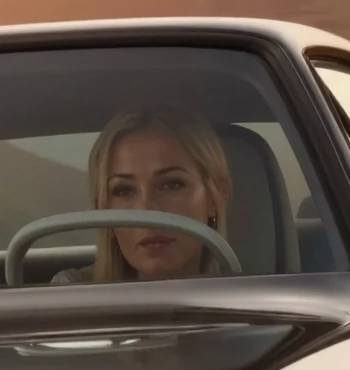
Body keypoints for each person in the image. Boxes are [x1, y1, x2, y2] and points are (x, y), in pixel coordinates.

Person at [54, 104, 235, 282]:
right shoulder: (68, 299)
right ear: (102, 209)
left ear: (215, 197)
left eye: (171, 185)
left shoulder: (252, 300)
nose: (147, 209)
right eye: (124, 191)